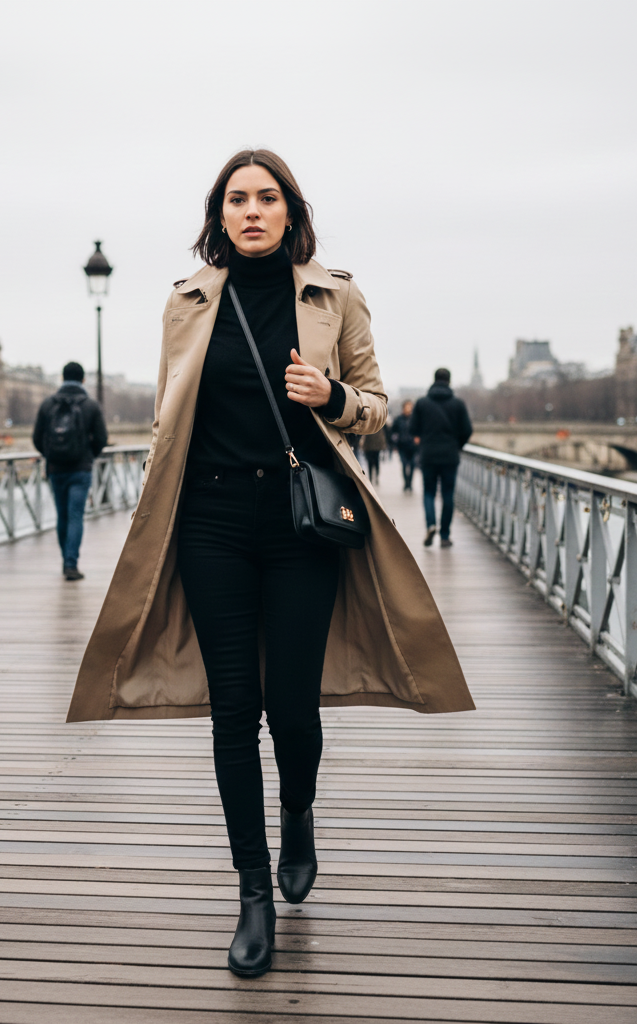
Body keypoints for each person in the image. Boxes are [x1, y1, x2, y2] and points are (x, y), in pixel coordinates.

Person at [66, 150, 474, 978]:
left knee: (291, 706)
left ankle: (299, 811)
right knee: (231, 711)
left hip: (300, 523)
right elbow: (165, 418)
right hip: (210, 519)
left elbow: (375, 405)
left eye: (268, 198)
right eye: (236, 199)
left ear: (292, 212)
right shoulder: (184, 303)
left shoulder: (335, 294)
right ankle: (253, 891)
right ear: (218, 216)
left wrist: (331, 398)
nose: (252, 211)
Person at [32, 362, 108, 580]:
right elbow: (102, 438)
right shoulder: (90, 406)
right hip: (80, 470)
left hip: (56, 468)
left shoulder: (48, 405)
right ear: (83, 380)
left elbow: (37, 438)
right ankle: (71, 563)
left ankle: (65, 556)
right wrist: (88, 455)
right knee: (76, 515)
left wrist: (50, 454)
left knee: (62, 515)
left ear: (61, 378)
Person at [410, 368, 473, 548]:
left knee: (429, 493)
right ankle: (445, 535)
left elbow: (413, 428)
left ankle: (431, 524)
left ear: (434, 380)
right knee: (447, 495)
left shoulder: (422, 403)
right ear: (449, 381)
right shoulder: (458, 404)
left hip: (428, 454)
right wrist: (457, 445)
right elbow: (467, 430)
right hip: (450, 456)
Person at [390, 399, 418, 491]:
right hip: (402, 445)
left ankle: (410, 483)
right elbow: (393, 432)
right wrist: (395, 443)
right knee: (404, 464)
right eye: (407, 407)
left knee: (413, 465)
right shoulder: (399, 419)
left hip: (413, 446)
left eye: (410, 407)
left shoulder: (415, 419)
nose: (409, 409)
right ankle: (406, 482)